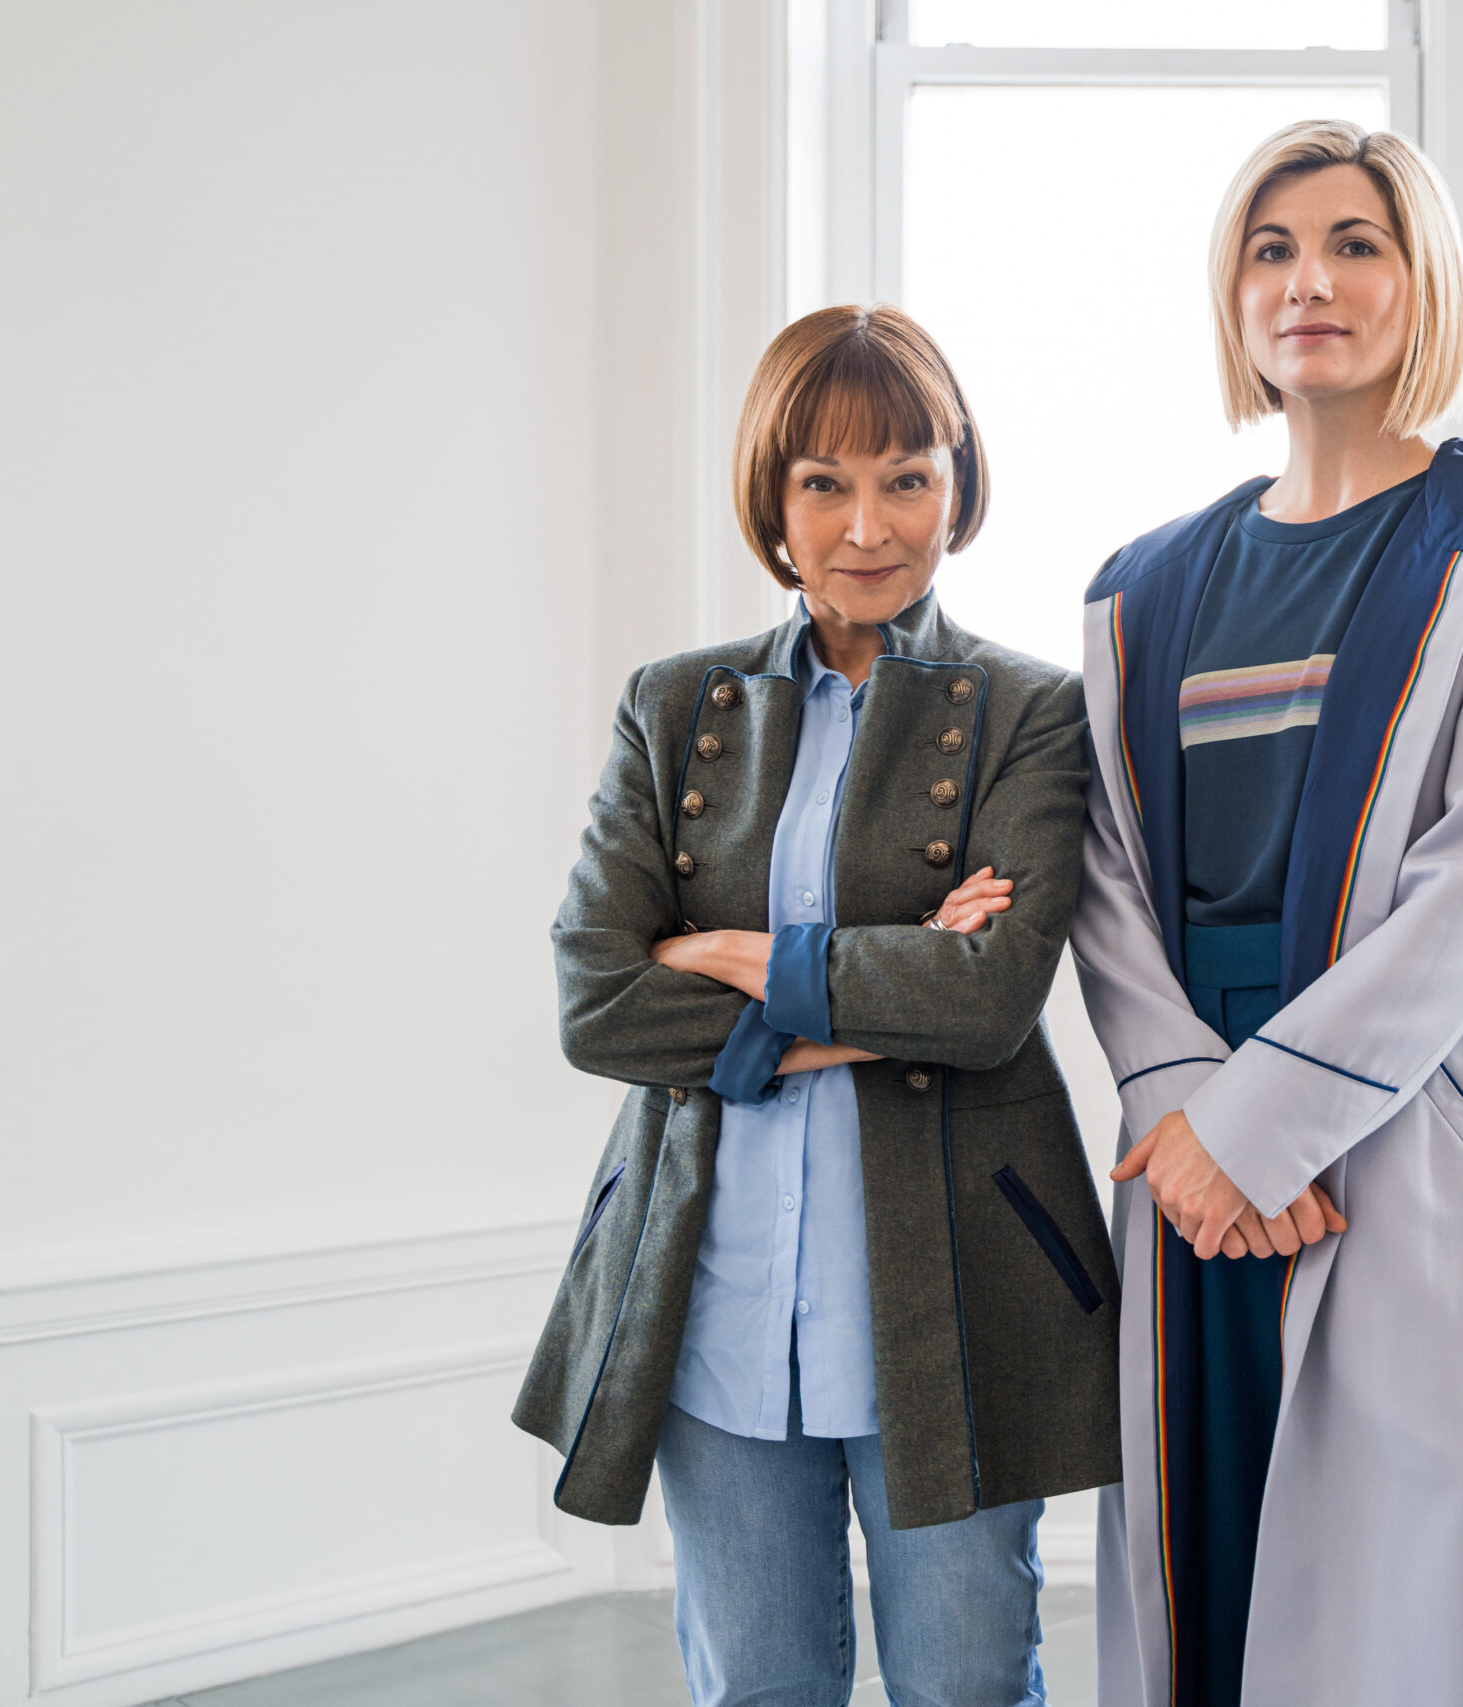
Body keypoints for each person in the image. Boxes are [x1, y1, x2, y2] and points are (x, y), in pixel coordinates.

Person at [1072, 120, 1463, 1707]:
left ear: (1418, 278)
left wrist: (1264, 1128)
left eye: (1355, 243)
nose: (1310, 280)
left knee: (1411, 1607)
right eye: (1273, 249)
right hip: (1190, 1151)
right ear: (1233, 295)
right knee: (1211, 1558)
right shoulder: (1140, 586)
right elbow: (1105, 881)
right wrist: (1190, 1117)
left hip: (1405, 1111)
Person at [513, 304, 1117, 1707]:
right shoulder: (674, 707)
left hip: (956, 1295)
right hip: (712, 1298)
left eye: (908, 477)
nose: (868, 526)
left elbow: (987, 1003)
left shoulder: (1032, 710)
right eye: (824, 482)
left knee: (969, 1684)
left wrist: (728, 953)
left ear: (958, 484)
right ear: (772, 501)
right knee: (758, 1690)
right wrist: (879, 982)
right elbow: (598, 999)